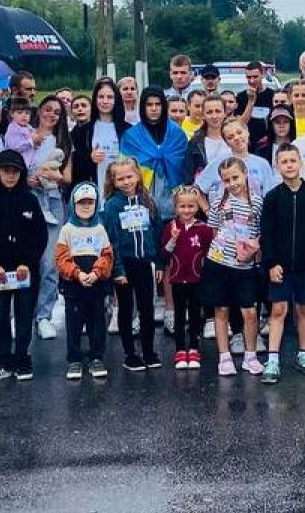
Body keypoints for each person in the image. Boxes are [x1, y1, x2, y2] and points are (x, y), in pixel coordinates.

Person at [0, 150, 47, 383]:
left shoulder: (30, 200)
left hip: (25, 270)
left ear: (22, 173)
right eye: (6, 171)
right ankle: (0, 359)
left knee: (25, 314)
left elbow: (40, 236)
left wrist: (28, 262)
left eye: (15, 171)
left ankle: (22, 357)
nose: (10, 176)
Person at [260, 144, 305, 383]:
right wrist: (270, 263)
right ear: (277, 166)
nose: (289, 165)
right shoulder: (272, 197)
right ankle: (272, 360)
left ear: (300, 163)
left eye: (293, 160)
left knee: (304, 309)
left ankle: (303, 354)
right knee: (279, 310)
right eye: (284, 161)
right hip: (280, 266)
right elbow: (266, 233)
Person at [203, 158, 264, 376]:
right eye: (227, 180)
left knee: (250, 312)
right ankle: (224, 357)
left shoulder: (257, 202)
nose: (232, 183)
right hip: (219, 262)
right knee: (221, 310)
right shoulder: (219, 201)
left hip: (245, 266)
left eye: (235, 177)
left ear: (245, 174)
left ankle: (250, 356)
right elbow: (213, 230)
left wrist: (251, 251)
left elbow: (259, 231)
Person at [103, 157, 163, 372]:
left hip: (144, 263)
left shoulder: (148, 201)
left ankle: (149, 351)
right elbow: (112, 240)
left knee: (147, 308)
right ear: (113, 181)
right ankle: (130, 354)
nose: (126, 182)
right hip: (124, 265)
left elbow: (157, 233)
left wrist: (159, 263)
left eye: (129, 176)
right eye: (120, 179)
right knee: (126, 309)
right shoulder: (112, 206)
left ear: (137, 175)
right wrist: (117, 269)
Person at [55, 183, 114, 381]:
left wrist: (97, 272)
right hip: (74, 286)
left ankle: (97, 357)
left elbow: (107, 255)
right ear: (73, 204)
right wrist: (77, 274)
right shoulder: (67, 230)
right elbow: (61, 258)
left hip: (96, 285)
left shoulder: (100, 229)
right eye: (82, 203)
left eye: (90, 202)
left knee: (97, 323)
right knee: (74, 324)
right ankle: (74, 359)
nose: (86, 206)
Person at [30, 96, 72, 341]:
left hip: (53, 202)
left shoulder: (63, 142)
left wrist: (54, 176)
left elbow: (68, 178)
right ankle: (24, 314)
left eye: (57, 112)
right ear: (39, 111)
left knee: (49, 262)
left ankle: (44, 316)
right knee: (26, 260)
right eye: (47, 109)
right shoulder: (24, 136)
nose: (51, 115)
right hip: (27, 200)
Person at [163, 186, 215, 369]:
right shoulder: (170, 227)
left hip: (197, 279)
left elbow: (209, 253)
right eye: (182, 206)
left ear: (197, 207)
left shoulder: (204, 229)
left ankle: (193, 347)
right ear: (176, 208)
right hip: (177, 279)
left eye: (191, 206)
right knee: (179, 315)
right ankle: (179, 349)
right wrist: (173, 239)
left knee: (195, 314)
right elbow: (165, 253)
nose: (186, 210)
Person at [121, 86, 191, 202]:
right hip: (141, 197)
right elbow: (124, 170)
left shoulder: (177, 135)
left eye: (158, 104)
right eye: (149, 105)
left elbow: (186, 167)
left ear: (164, 106)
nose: (154, 108)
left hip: (175, 197)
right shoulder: (131, 137)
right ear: (142, 107)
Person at [73, 79, 129, 194]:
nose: (105, 101)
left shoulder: (127, 130)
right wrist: (90, 158)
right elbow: (76, 165)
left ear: (116, 100)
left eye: (110, 97)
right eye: (101, 97)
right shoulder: (84, 131)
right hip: (94, 190)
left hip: (122, 189)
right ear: (95, 99)